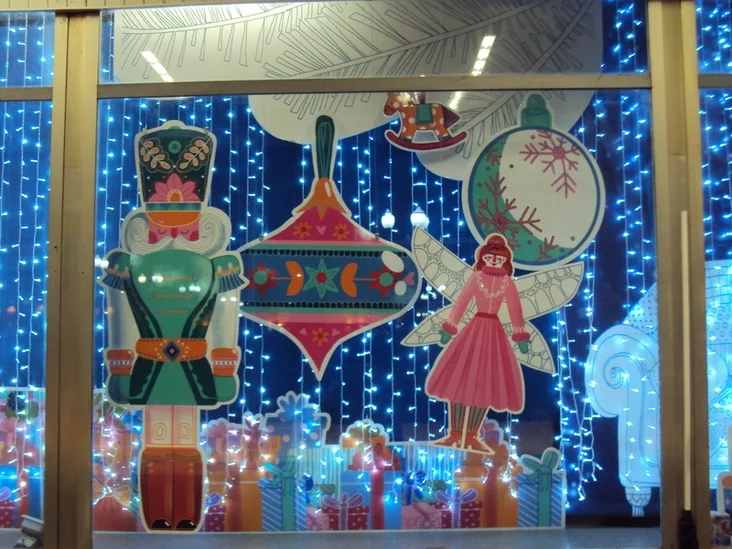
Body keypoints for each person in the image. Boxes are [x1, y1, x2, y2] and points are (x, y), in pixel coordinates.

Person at [426, 233, 530, 451]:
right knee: (459, 377)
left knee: (485, 381)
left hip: (493, 334)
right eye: (490, 257)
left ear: (505, 260)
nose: (494, 261)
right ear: (483, 258)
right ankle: (455, 433)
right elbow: (462, 302)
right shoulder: (477, 277)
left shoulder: (507, 283)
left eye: (499, 258)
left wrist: (519, 334)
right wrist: (450, 326)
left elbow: (515, 310)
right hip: (474, 330)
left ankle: (472, 435)